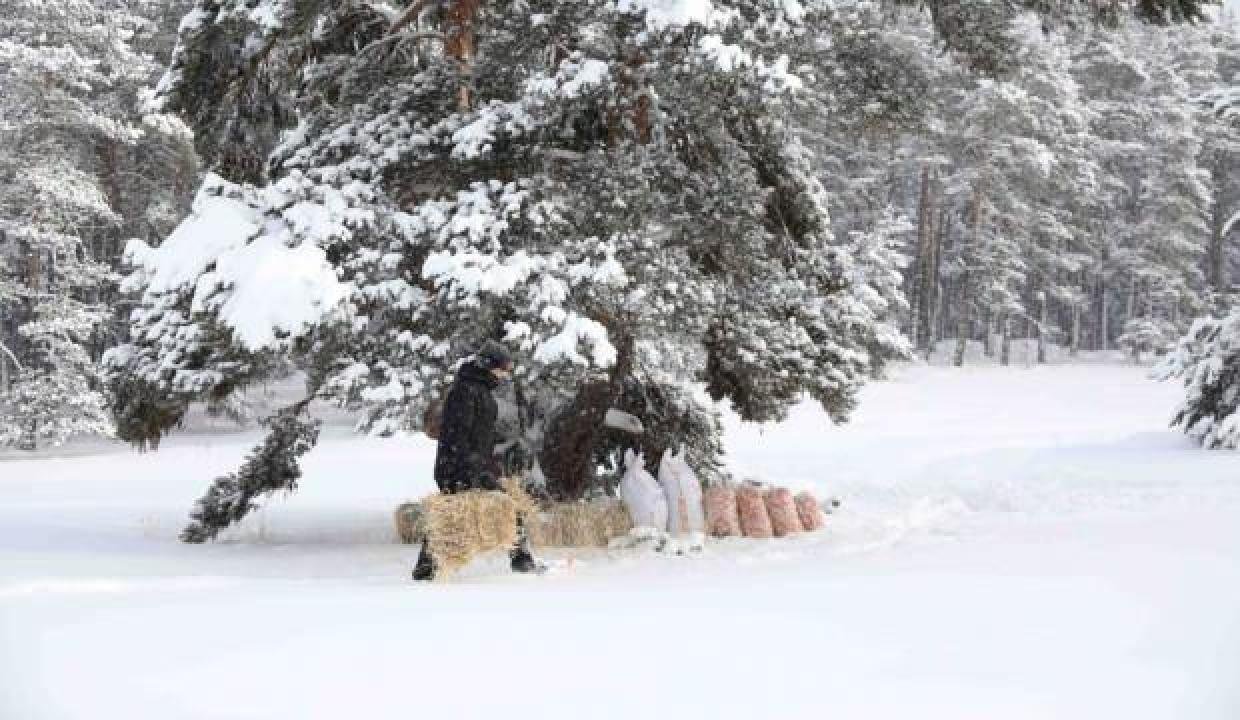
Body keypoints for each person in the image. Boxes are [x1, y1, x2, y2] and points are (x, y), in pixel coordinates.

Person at [413, 341, 544, 581]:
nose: (505, 374)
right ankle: (521, 560)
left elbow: (480, 435)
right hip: (457, 467)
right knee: (496, 506)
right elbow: (457, 435)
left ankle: (426, 567)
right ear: (487, 365)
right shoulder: (464, 392)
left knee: (462, 510)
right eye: (502, 368)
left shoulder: (479, 391)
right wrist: (472, 466)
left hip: (473, 465)